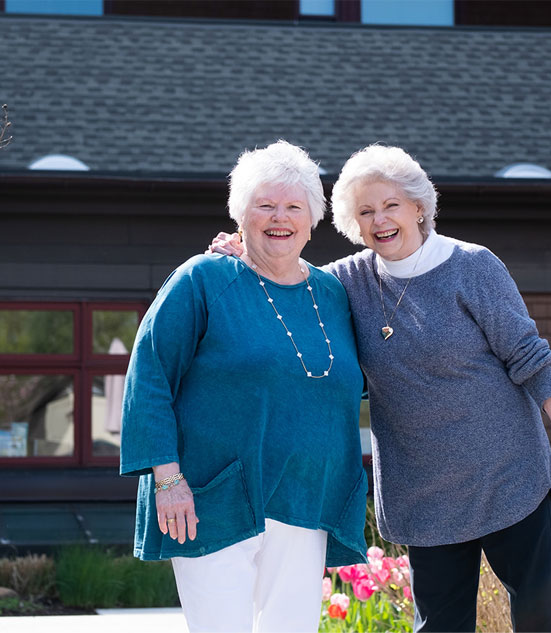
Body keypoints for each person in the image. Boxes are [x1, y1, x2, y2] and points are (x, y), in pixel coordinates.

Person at [212, 144, 551, 632]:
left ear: (418, 206)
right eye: (366, 211)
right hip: (424, 492)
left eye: (391, 205)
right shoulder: (345, 282)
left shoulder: (472, 267)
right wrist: (241, 251)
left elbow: (531, 358)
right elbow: (285, 276)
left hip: (507, 475)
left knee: (542, 621)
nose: (380, 220)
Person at [121, 141, 368, 633]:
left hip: (306, 498)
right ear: (241, 214)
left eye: (294, 206)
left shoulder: (334, 293)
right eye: (266, 205)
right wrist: (167, 479)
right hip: (213, 497)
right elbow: (148, 376)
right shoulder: (203, 279)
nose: (281, 218)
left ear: (313, 217)